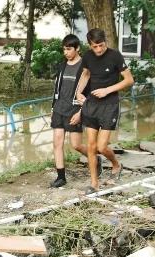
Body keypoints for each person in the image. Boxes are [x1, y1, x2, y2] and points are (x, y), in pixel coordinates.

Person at [75, 28, 134, 194]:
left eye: (101, 45)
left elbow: (129, 80)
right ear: (90, 45)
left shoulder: (115, 56)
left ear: (105, 42)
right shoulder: (87, 57)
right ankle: (94, 183)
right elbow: (86, 74)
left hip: (110, 105)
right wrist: (78, 91)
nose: (99, 49)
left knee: (102, 147)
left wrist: (107, 90)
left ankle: (116, 164)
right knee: (91, 146)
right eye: (95, 47)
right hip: (92, 104)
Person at [50, 34, 99, 188]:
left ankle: (95, 158)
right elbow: (57, 87)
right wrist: (53, 107)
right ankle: (61, 177)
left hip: (74, 110)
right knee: (57, 143)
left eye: (69, 49)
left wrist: (81, 113)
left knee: (76, 145)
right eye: (64, 49)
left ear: (77, 48)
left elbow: (90, 94)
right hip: (59, 108)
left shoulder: (85, 68)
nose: (66, 52)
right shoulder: (62, 64)